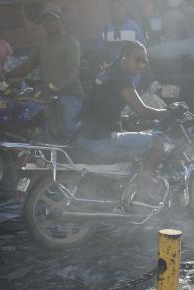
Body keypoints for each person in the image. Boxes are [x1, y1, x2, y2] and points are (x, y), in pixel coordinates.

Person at [74, 40, 175, 203]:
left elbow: (104, 106)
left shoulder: (107, 72)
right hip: (102, 141)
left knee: (139, 134)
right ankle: (143, 195)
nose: (142, 65)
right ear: (124, 58)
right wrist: (168, 113)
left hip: (86, 135)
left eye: (145, 61)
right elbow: (142, 110)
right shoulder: (121, 78)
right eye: (138, 60)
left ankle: (125, 186)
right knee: (158, 145)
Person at [6, 6, 83, 139]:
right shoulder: (43, 43)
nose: (49, 23)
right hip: (49, 98)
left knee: (64, 136)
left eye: (53, 19)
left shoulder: (71, 42)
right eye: (46, 20)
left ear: (61, 21)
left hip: (69, 96)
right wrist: (5, 76)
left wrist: (56, 87)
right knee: (41, 132)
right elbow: (27, 66)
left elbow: (73, 72)